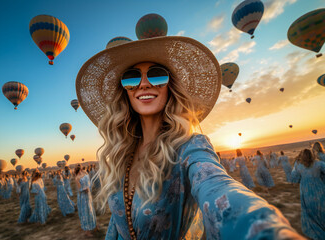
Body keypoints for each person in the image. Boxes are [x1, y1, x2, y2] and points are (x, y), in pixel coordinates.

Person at [75, 22, 304, 239]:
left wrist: (265, 229)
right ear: (124, 91)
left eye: (157, 75)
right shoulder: (121, 155)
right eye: (131, 78)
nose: (144, 84)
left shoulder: (190, 146)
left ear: (170, 88)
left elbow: (216, 185)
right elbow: (117, 227)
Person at [291, 149, 325, 240]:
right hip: (320, 189)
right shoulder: (318, 163)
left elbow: (293, 177)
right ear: (312, 155)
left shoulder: (298, 165)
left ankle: (316, 228)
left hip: (306, 191)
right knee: (321, 208)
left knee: (310, 210)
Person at [74, 165, 97, 237]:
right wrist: (84, 189)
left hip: (88, 196)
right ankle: (87, 231)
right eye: (79, 167)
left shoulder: (85, 173)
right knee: (86, 212)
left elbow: (89, 181)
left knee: (91, 210)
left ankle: (94, 225)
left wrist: (89, 188)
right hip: (83, 197)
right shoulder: (77, 178)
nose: (81, 168)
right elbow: (79, 190)